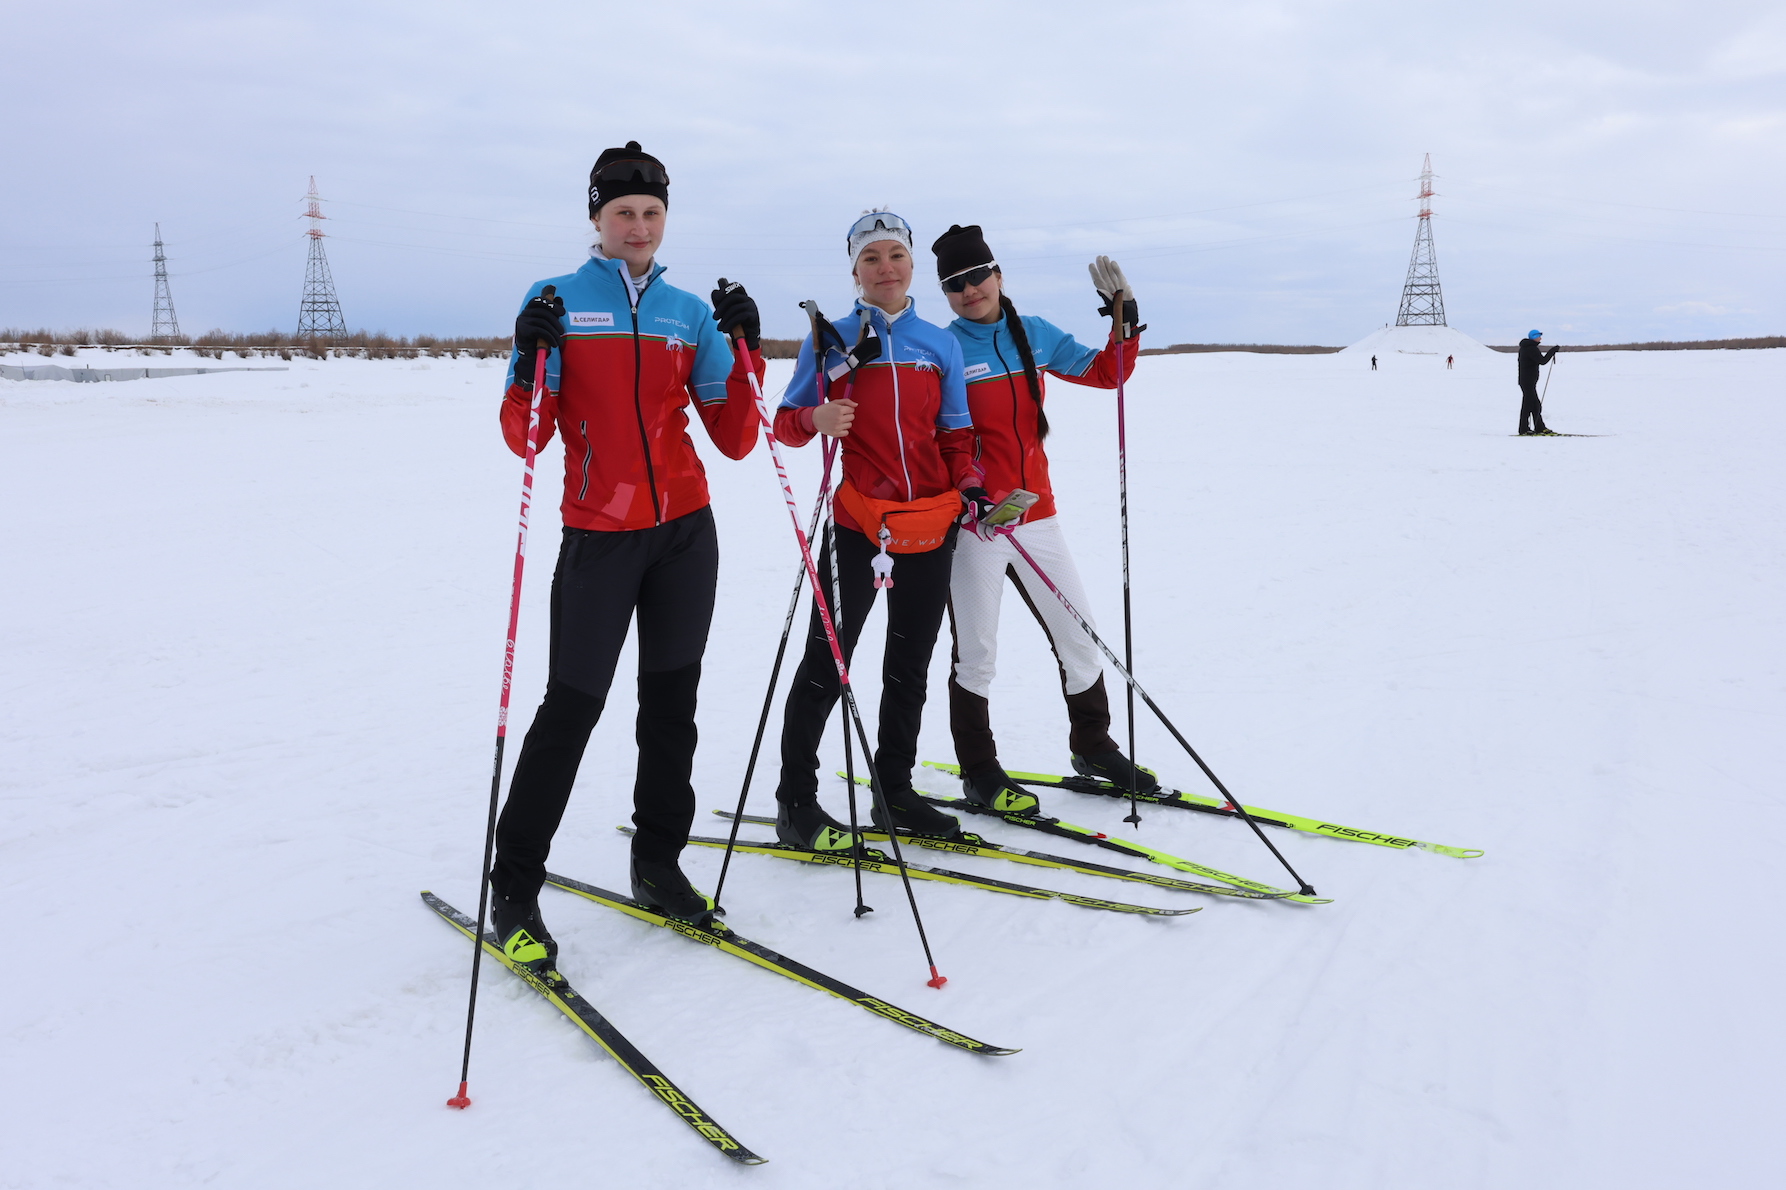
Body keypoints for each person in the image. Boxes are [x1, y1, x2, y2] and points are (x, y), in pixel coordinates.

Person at [487, 141, 766, 967]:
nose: (638, 226)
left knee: (671, 708)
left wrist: (744, 351)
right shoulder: (557, 299)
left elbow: (737, 438)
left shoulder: (686, 311)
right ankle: (516, 888)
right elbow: (525, 435)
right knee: (569, 712)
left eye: (651, 213)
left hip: (686, 534)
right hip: (600, 538)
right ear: (597, 219)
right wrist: (530, 354)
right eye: (623, 213)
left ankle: (658, 864)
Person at [770, 211, 978, 849]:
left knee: (910, 663)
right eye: (870, 259)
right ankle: (796, 803)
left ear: (912, 264)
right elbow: (784, 423)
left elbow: (955, 433)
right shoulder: (829, 337)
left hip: (929, 523)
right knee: (826, 663)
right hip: (858, 523)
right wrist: (816, 417)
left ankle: (894, 789)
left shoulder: (939, 343)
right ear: (854, 270)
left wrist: (968, 484)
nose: (884, 268)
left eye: (895, 255)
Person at [928, 224, 1149, 816]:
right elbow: (937, 435)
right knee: (976, 652)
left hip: (1035, 511)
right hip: (976, 525)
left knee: (1079, 634)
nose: (970, 290)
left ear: (998, 274)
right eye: (955, 283)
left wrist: (1123, 320)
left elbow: (1106, 373)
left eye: (978, 276)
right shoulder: (946, 349)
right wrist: (963, 491)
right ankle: (979, 771)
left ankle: (1093, 746)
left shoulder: (1035, 335)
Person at [1517, 329, 1559, 435]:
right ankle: (1524, 429)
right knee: (1529, 405)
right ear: (1534, 337)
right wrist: (1552, 351)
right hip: (1528, 382)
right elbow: (1542, 361)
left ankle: (1538, 427)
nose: (1540, 338)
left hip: (1527, 381)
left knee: (1534, 405)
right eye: (1539, 336)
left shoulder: (1526, 348)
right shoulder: (1531, 348)